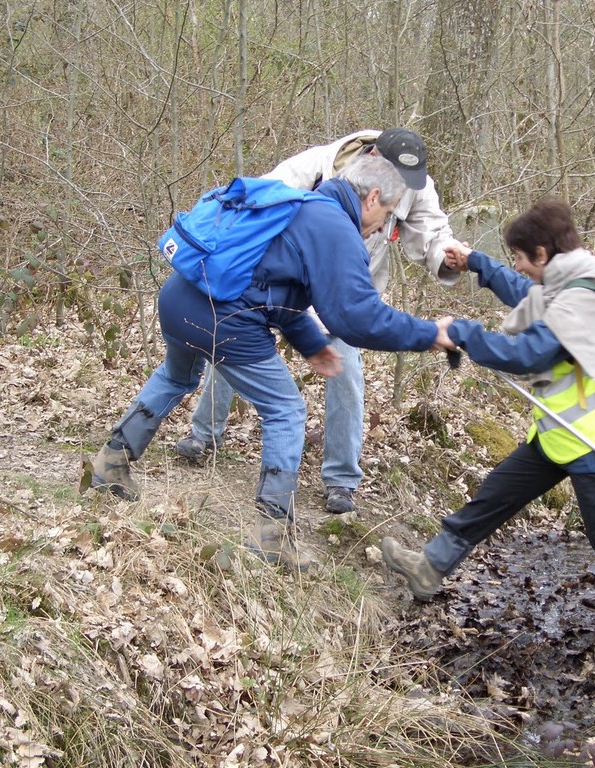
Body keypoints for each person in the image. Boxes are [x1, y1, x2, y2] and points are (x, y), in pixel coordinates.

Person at [380, 198, 595, 645]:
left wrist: (462, 332)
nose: (520, 267)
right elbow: (528, 296)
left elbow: (528, 352)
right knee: (492, 497)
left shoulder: (580, 301)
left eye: (523, 259)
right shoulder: (570, 281)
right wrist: (476, 264)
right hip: (556, 432)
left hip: (588, 438)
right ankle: (428, 569)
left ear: (543, 254)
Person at [89, 152, 456, 570]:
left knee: (176, 376)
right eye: (388, 213)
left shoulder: (301, 204)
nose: (382, 225)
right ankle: (272, 534)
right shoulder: (335, 227)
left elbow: (278, 294)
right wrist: (429, 334)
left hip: (179, 298)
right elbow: (358, 317)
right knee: (286, 409)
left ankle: (110, 464)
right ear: (372, 197)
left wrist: (312, 344)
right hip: (224, 319)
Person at [173, 128, 464, 515]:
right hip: (281, 286)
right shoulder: (316, 166)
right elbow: (263, 200)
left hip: (345, 294)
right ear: (374, 159)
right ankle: (204, 434)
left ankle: (341, 480)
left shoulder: (416, 185)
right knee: (234, 344)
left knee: (346, 376)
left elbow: (432, 231)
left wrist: (448, 254)